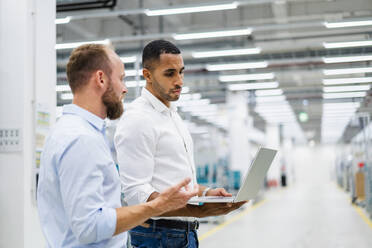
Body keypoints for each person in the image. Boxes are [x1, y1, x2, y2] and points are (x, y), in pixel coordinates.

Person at [37, 44, 198, 248]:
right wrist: (156, 206)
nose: (124, 89)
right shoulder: (81, 139)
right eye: (121, 79)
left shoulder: (73, 131)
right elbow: (90, 226)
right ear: (101, 79)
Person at [114, 40, 246, 248]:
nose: (179, 81)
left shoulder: (172, 116)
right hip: (157, 236)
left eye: (181, 72)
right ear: (147, 75)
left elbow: (177, 182)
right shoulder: (138, 119)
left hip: (185, 234)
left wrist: (205, 193)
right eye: (170, 73)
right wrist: (197, 209)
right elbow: (137, 196)